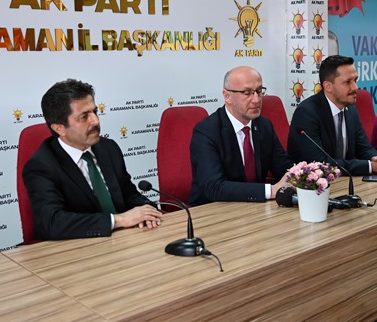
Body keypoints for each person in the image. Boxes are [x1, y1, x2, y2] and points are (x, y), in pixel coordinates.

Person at [23, 79, 163, 240]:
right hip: (78, 248)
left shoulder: (109, 148)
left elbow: (128, 193)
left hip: (122, 240)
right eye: (84, 116)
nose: (95, 121)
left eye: (95, 112)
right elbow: (52, 222)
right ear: (59, 128)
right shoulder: (41, 166)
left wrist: (147, 209)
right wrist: (118, 220)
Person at [189, 66, 293, 206]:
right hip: (213, 210)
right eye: (247, 93)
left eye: (259, 91)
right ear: (227, 96)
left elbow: (283, 167)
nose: (256, 99)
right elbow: (214, 187)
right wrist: (271, 190)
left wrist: (304, 175)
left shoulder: (264, 125)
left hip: (254, 208)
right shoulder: (206, 131)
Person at [287, 55, 377, 176]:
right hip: (313, 183)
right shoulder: (307, 113)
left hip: (345, 180)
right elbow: (319, 163)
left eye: (355, 80)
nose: (355, 87)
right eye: (347, 82)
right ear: (328, 86)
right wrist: (370, 166)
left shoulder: (350, 109)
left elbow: (363, 147)